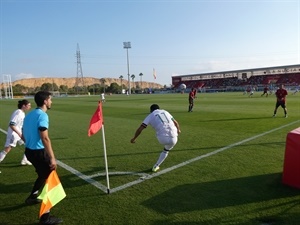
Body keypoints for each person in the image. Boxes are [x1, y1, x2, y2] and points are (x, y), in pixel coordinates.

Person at [22, 91, 62, 224]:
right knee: (51, 180)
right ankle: (45, 218)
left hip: (29, 151)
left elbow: (24, 133)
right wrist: (52, 158)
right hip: (39, 153)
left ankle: (33, 197)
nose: (51, 102)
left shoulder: (30, 114)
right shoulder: (42, 115)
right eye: (50, 99)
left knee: (42, 175)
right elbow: (44, 137)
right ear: (45, 101)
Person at [130, 104, 181, 172]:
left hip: (162, 138)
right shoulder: (165, 112)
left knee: (159, 131)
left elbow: (140, 129)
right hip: (174, 137)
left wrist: (134, 138)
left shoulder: (150, 115)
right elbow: (176, 123)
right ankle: (156, 166)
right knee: (166, 150)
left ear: (151, 110)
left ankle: (156, 166)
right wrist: (178, 130)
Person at [0, 99, 32, 165]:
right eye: (28, 105)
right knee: (7, 150)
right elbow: (12, 124)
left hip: (18, 134)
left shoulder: (22, 113)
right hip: (13, 134)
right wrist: (19, 133)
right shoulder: (18, 113)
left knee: (29, 144)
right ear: (23, 105)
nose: (30, 107)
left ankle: (25, 160)